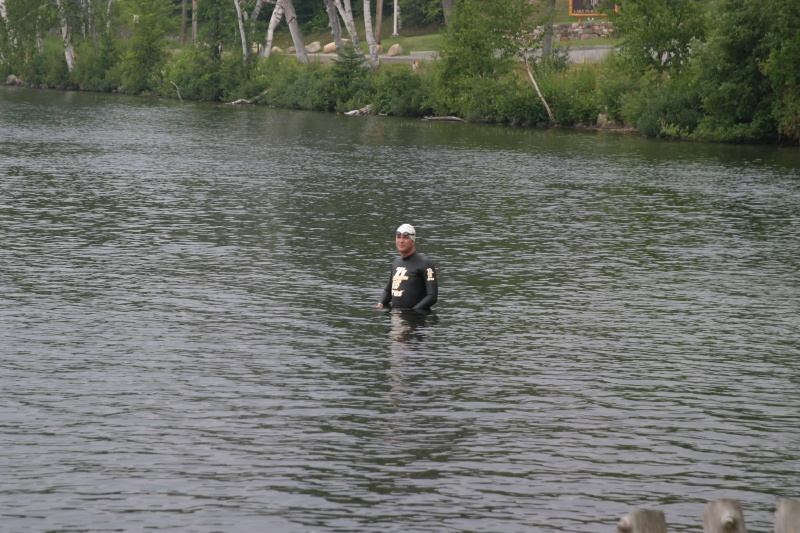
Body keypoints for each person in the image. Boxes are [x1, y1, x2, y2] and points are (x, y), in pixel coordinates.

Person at [376, 223, 438, 310]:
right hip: (396, 317)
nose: (401, 241)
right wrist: (380, 303)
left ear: (413, 241)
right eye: (398, 237)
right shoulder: (396, 262)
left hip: (417, 320)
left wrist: (412, 313)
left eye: (405, 238)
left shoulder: (425, 264)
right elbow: (388, 290)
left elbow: (432, 297)